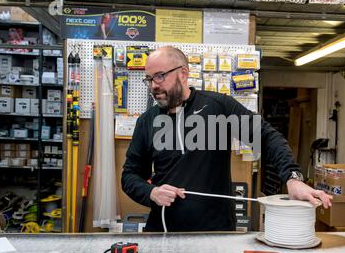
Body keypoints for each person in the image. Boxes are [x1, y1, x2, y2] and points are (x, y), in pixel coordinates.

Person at [121, 46, 332, 232]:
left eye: (159, 76)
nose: (153, 86)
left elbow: (267, 137)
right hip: (164, 228)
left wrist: (293, 178)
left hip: (215, 232)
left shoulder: (217, 107)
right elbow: (130, 176)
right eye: (149, 79)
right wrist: (152, 192)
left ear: (183, 73)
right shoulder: (147, 121)